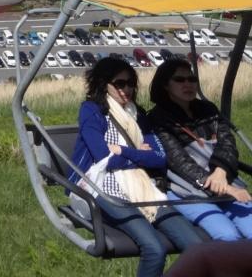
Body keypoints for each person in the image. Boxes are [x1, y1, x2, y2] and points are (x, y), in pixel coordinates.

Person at [69, 58, 203, 277]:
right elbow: (103, 158)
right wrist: (140, 154)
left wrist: (124, 151)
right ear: (104, 84)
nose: (127, 89)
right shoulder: (92, 111)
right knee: (154, 250)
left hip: (144, 187)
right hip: (105, 187)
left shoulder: (138, 115)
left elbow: (159, 158)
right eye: (119, 84)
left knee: (195, 246)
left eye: (131, 83)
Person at [148, 57, 252, 240]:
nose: (187, 84)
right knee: (227, 235)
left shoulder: (208, 110)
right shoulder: (159, 119)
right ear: (165, 85)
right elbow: (179, 162)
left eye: (192, 79)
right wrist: (227, 189)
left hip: (222, 180)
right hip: (186, 190)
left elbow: (227, 142)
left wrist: (221, 172)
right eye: (179, 80)